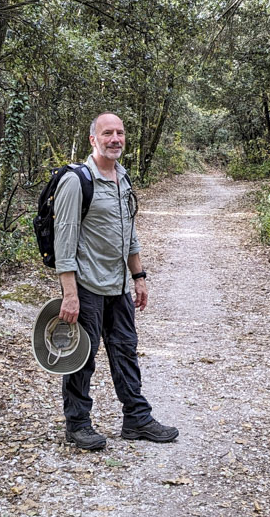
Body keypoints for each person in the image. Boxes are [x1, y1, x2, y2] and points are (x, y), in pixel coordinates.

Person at [52, 112, 179, 451]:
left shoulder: (123, 179)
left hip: (120, 285)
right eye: (107, 133)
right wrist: (69, 294)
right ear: (93, 139)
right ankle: (77, 424)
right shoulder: (77, 181)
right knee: (82, 356)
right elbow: (64, 242)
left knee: (125, 351)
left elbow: (129, 234)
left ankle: (136, 418)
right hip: (87, 286)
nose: (115, 139)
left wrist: (139, 277)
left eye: (120, 133)